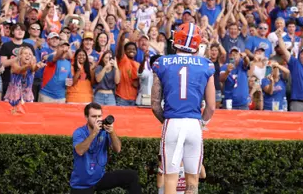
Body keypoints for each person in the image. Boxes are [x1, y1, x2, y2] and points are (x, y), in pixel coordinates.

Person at [151, 22, 216, 194]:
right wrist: (202, 123)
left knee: (170, 178)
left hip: (172, 121)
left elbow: (155, 104)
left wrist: (167, 121)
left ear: (176, 39)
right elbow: (211, 106)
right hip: (194, 124)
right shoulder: (206, 64)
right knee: (193, 179)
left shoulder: (161, 62)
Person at [69, 102, 141, 194]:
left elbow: (117, 149)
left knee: (132, 176)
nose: (98, 119)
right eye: (94, 116)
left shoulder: (104, 131)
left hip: (99, 178)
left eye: (99, 116)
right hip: (82, 183)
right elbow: (79, 151)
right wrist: (94, 133)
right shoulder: (79, 132)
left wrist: (112, 132)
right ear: (86, 117)